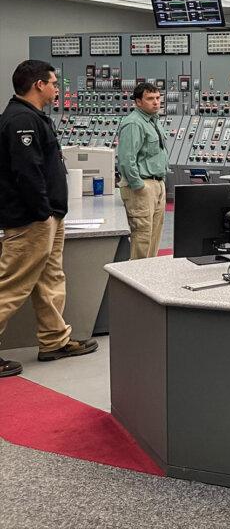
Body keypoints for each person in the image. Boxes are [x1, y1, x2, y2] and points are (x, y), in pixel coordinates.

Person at [0, 60, 97, 379]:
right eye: (54, 83)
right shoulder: (20, 120)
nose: (58, 89)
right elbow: (27, 173)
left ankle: (55, 340)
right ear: (38, 85)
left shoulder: (34, 118)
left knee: (50, 280)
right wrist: (42, 212)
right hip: (32, 219)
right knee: (12, 284)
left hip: (48, 216)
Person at [116, 82, 168, 260]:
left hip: (157, 183)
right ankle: (136, 280)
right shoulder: (133, 123)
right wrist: (139, 186)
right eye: (150, 99)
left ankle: (149, 276)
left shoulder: (154, 122)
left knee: (154, 235)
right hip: (142, 186)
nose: (155, 102)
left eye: (157, 98)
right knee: (142, 235)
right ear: (138, 102)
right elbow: (126, 159)